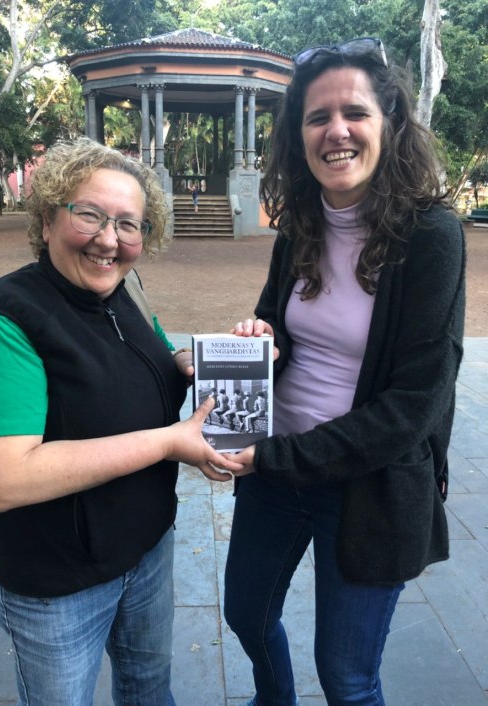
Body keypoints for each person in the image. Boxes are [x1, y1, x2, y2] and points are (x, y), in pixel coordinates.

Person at [219, 38, 466, 706]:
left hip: (369, 486)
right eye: (316, 117)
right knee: (245, 615)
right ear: (297, 135)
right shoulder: (299, 225)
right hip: (275, 470)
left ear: (388, 122)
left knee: (348, 679)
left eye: (354, 112)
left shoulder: (430, 235)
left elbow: (415, 402)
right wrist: (261, 338)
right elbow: (275, 320)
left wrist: (274, 457)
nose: (336, 130)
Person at [0, 137, 239, 706]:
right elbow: (2, 480)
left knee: (148, 690)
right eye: (89, 215)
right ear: (47, 218)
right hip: (60, 581)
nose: (109, 239)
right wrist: (169, 442)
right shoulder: (6, 319)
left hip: (147, 547)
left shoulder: (123, 289)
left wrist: (197, 362)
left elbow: (152, 353)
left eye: (128, 224)